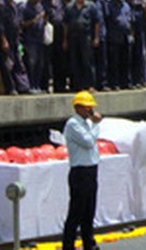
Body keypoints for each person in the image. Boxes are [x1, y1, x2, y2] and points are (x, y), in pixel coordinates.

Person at [63, 91, 103, 250]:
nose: (90, 110)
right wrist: (96, 124)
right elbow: (87, 142)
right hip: (80, 171)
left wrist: (93, 125)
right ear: (78, 107)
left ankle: (89, 242)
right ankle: (68, 245)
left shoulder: (87, 123)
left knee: (89, 210)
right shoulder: (73, 124)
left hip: (91, 169)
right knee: (76, 211)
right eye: (87, 107)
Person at [63, 0, 101, 92]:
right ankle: (77, 85)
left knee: (87, 61)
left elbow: (97, 23)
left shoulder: (91, 6)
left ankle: (89, 85)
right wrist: (65, 40)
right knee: (75, 61)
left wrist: (96, 37)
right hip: (73, 37)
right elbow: (66, 24)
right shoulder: (69, 7)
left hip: (86, 37)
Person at [105, 0, 133, 90]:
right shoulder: (109, 5)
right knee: (114, 62)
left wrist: (131, 35)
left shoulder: (126, 5)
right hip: (114, 37)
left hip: (126, 36)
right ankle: (114, 83)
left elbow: (130, 20)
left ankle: (126, 82)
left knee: (126, 61)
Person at [20, 0, 47, 93]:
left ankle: (37, 85)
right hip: (29, 40)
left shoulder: (40, 6)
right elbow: (21, 24)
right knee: (30, 63)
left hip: (39, 39)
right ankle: (30, 86)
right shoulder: (24, 7)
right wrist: (35, 20)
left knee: (39, 64)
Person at [127, 0, 146, 87]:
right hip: (128, 32)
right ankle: (132, 80)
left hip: (140, 32)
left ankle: (144, 79)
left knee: (142, 55)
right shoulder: (125, 2)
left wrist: (145, 4)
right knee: (130, 56)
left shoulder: (142, 2)